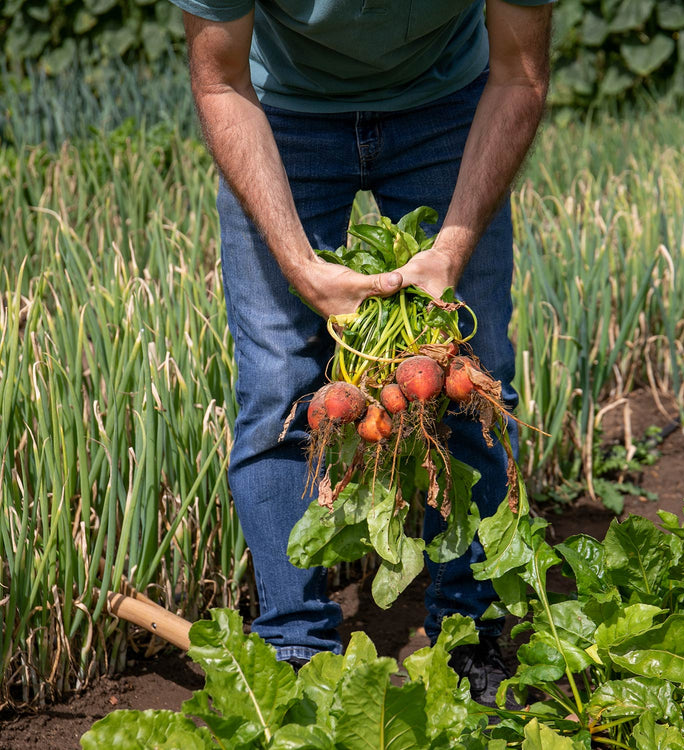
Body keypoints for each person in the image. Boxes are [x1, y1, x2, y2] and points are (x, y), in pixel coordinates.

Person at [167, 0, 553, 707]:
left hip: (450, 102)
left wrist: (452, 249)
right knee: (279, 391)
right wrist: (300, 266)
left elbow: (520, 75)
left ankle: (472, 632)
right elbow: (219, 82)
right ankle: (294, 645)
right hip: (279, 112)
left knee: (469, 377)